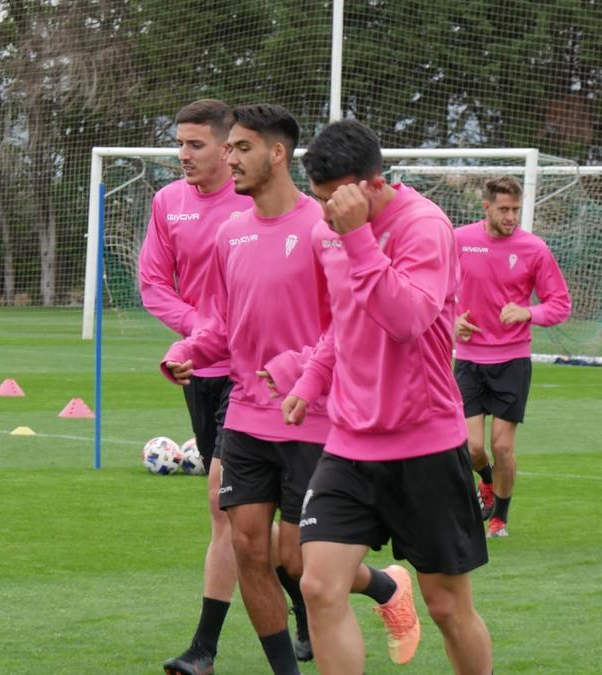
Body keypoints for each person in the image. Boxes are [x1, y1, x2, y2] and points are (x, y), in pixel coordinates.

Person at [281, 119, 492, 674]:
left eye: (335, 199)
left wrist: (357, 240)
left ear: (372, 184)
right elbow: (341, 325)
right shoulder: (325, 231)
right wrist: (313, 378)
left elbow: (407, 320)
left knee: (448, 607)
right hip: (349, 445)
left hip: (424, 445)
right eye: (320, 199)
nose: (326, 212)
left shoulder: (426, 227)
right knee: (319, 587)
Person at [162, 103, 328, 675]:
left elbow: (348, 329)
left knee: (300, 561)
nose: (229, 158)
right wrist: (189, 351)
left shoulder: (322, 228)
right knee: (248, 548)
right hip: (247, 416)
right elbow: (222, 324)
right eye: (227, 148)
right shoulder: (231, 233)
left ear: (277, 154)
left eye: (241, 148)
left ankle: (383, 587)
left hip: (314, 418)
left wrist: (297, 369)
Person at [138, 99, 254, 675]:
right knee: (247, 521)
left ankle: (202, 650)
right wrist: (198, 333)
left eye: (195, 144)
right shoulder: (168, 203)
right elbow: (153, 283)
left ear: (227, 146)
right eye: (179, 143)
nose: (183, 154)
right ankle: (361, 594)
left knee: (223, 506)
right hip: (199, 371)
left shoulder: (256, 199)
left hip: (255, 374)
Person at [453, 176, 571, 537]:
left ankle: (500, 517)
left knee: (501, 446)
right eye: (503, 209)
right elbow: (434, 288)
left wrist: (528, 313)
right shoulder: (459, 241)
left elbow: (560, 304)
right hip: (470, 359)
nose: (511, 217)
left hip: (512, 360)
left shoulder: (534, 249)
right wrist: (451, 319)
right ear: (486, 207)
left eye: (516, 210)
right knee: (471, 447)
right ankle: (485, 480)